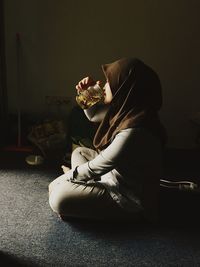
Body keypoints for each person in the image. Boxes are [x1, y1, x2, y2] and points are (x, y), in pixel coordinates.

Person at [48, 57, 167, 223]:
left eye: (109, 82)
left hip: (128, 197)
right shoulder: (129, 109)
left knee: (57, 197)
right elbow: (94, 115)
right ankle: (81, 191)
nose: (104, 85)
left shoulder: (136, 129)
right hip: (113, 175)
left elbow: (100, 165)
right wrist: (87, 92)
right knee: (79, 152)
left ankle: (86, 200)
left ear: (124, 87)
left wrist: (63, 180)